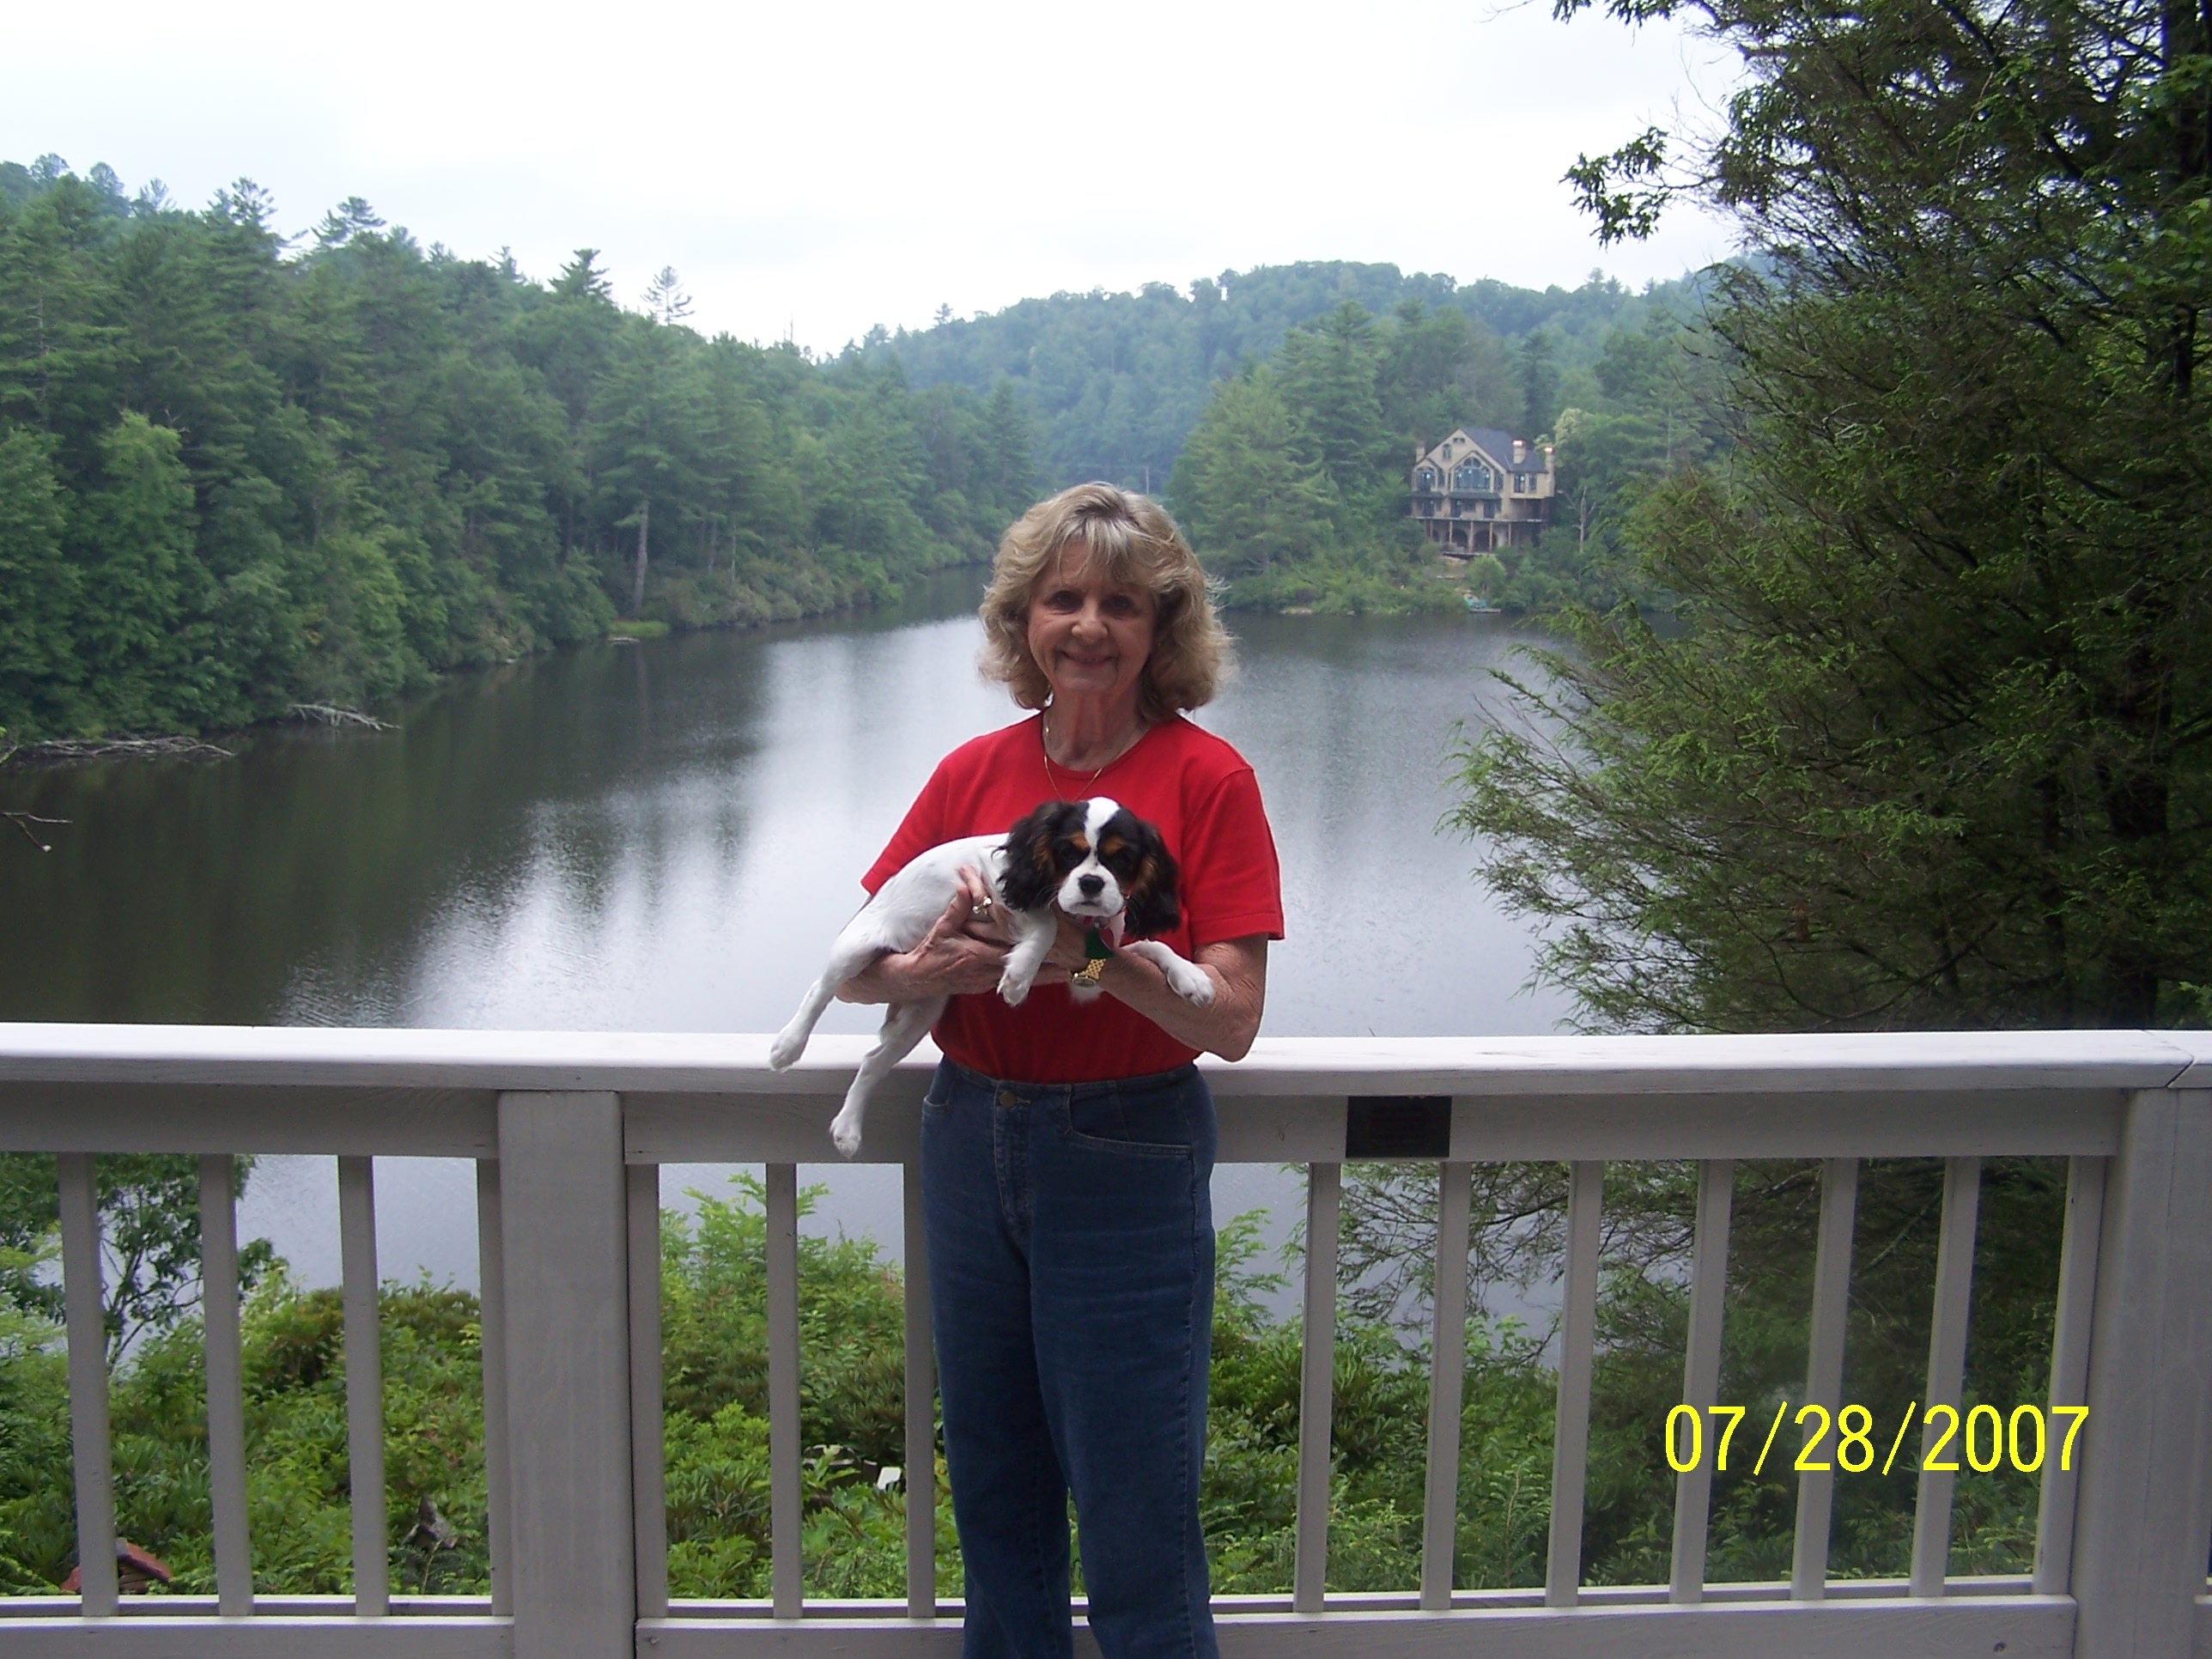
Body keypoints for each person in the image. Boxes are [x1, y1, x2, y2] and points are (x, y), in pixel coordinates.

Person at [838, 483, 1284, 1658]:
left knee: (1136, 1511)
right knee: (996, 1496)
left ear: (1162, 627)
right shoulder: (970, 775)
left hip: (1127, 1147)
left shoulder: (1208, 780)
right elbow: (863, 972)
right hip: (967, 1129)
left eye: (1122, 604)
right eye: (1063, 599)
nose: (1089, 626)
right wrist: (939, 965)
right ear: (1022, 620)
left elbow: (1233, 1019)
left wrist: (1089, 956)